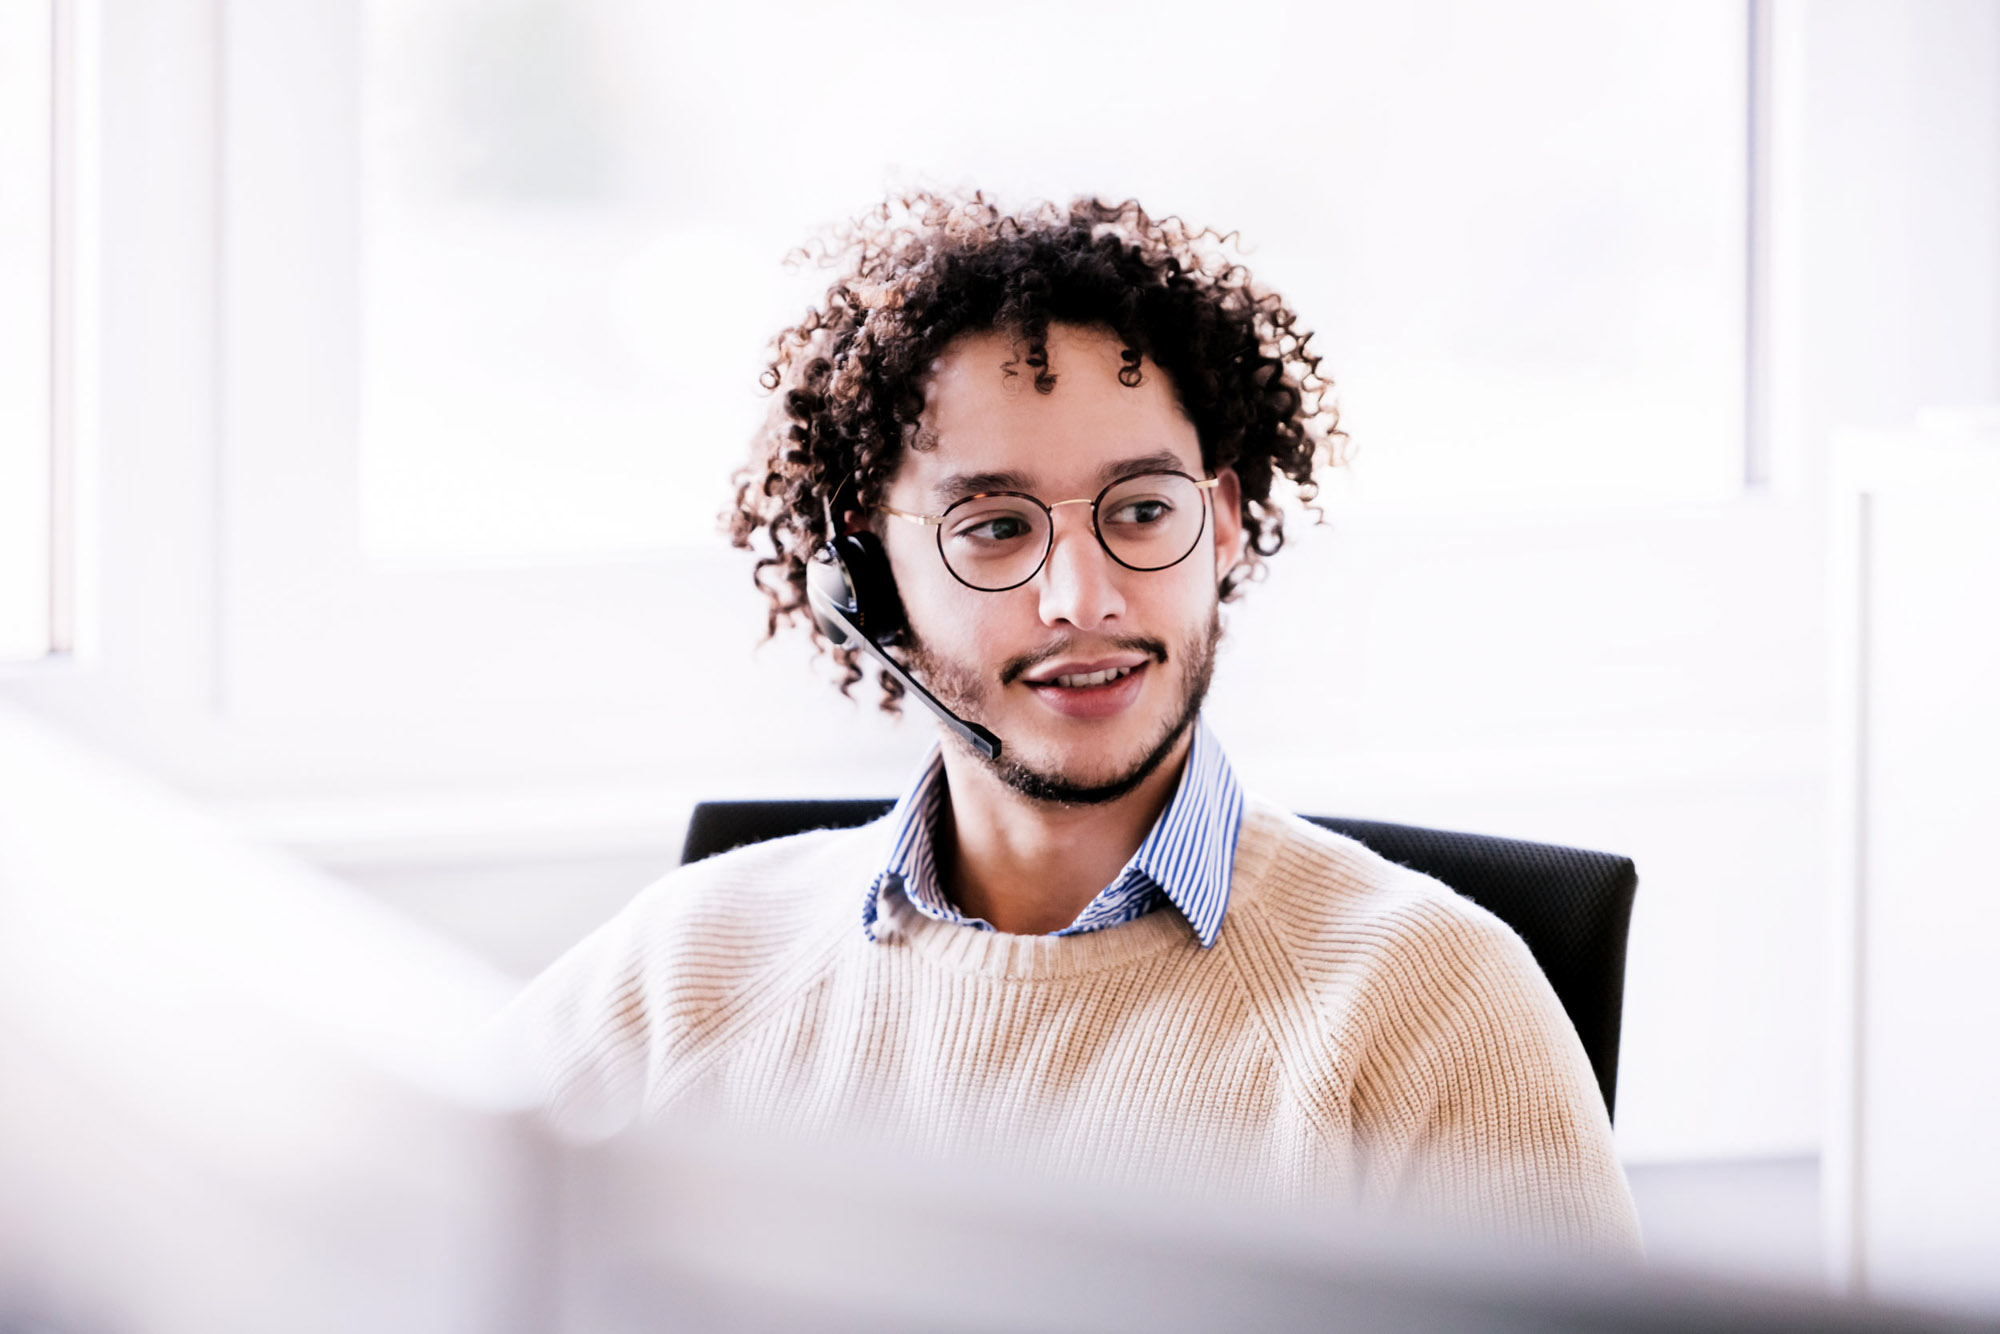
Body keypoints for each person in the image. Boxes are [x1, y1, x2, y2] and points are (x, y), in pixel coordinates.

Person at [505, 193, 1641, 1256]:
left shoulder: (1434, 1008)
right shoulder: (685, 970)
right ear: (870, 573)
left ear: (1223, 525)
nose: (1081, 598)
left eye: (1141, 510)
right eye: (995, 527)